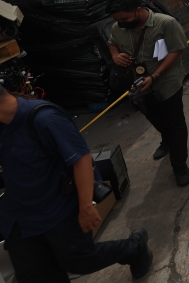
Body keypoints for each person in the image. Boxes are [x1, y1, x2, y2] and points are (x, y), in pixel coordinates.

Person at [0, 85, 154, 281]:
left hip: (57, 210)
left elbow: (81, 159)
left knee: (80, 260)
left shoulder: (43, 119)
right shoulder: (3, 124)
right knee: (36, 274)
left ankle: (135, 247)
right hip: (20, 218)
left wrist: (86, 208)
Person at [107, 0, 189, 186]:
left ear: (138, 10)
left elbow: (176, 49)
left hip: (166, 82)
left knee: (175, 122)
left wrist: (155, 75)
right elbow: (112, 44)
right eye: (118, 19)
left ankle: (180, 165)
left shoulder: (166, 23)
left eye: (125, 18)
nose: (121, 22)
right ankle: (166, 140)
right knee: (153, 116)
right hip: (138, 87)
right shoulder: (118, 27)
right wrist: (114, 55)